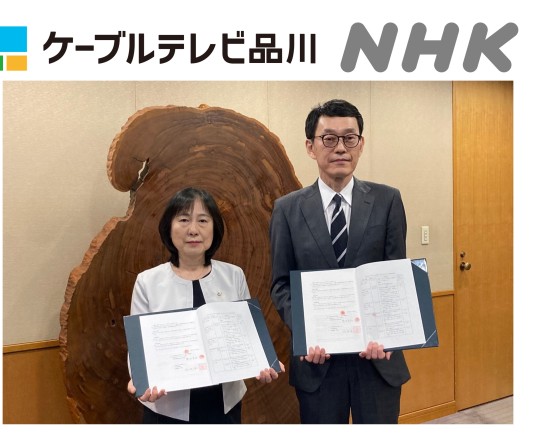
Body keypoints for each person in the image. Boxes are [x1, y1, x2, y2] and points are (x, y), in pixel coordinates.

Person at [269, 99, 410, 424]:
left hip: (377, 359)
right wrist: (307, 331)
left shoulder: (388, 200)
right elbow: (281, 284)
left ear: (361, 144)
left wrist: (388, 334)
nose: (341, 148)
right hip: (317, 362)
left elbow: (395, 278)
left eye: (350, 138)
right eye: (329, 139)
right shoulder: (287, 210)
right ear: (311, 146)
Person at [127, 187, 283, 424]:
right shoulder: (147, 281)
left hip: (224, 403)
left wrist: (263, 362)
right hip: (166, 405)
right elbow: (138, 346)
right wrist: (140, 380)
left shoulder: (234, 276)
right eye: (183, 220)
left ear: (214, 228)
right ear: (168, 227)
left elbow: (248, 336)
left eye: (202, 220)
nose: (193, 230)